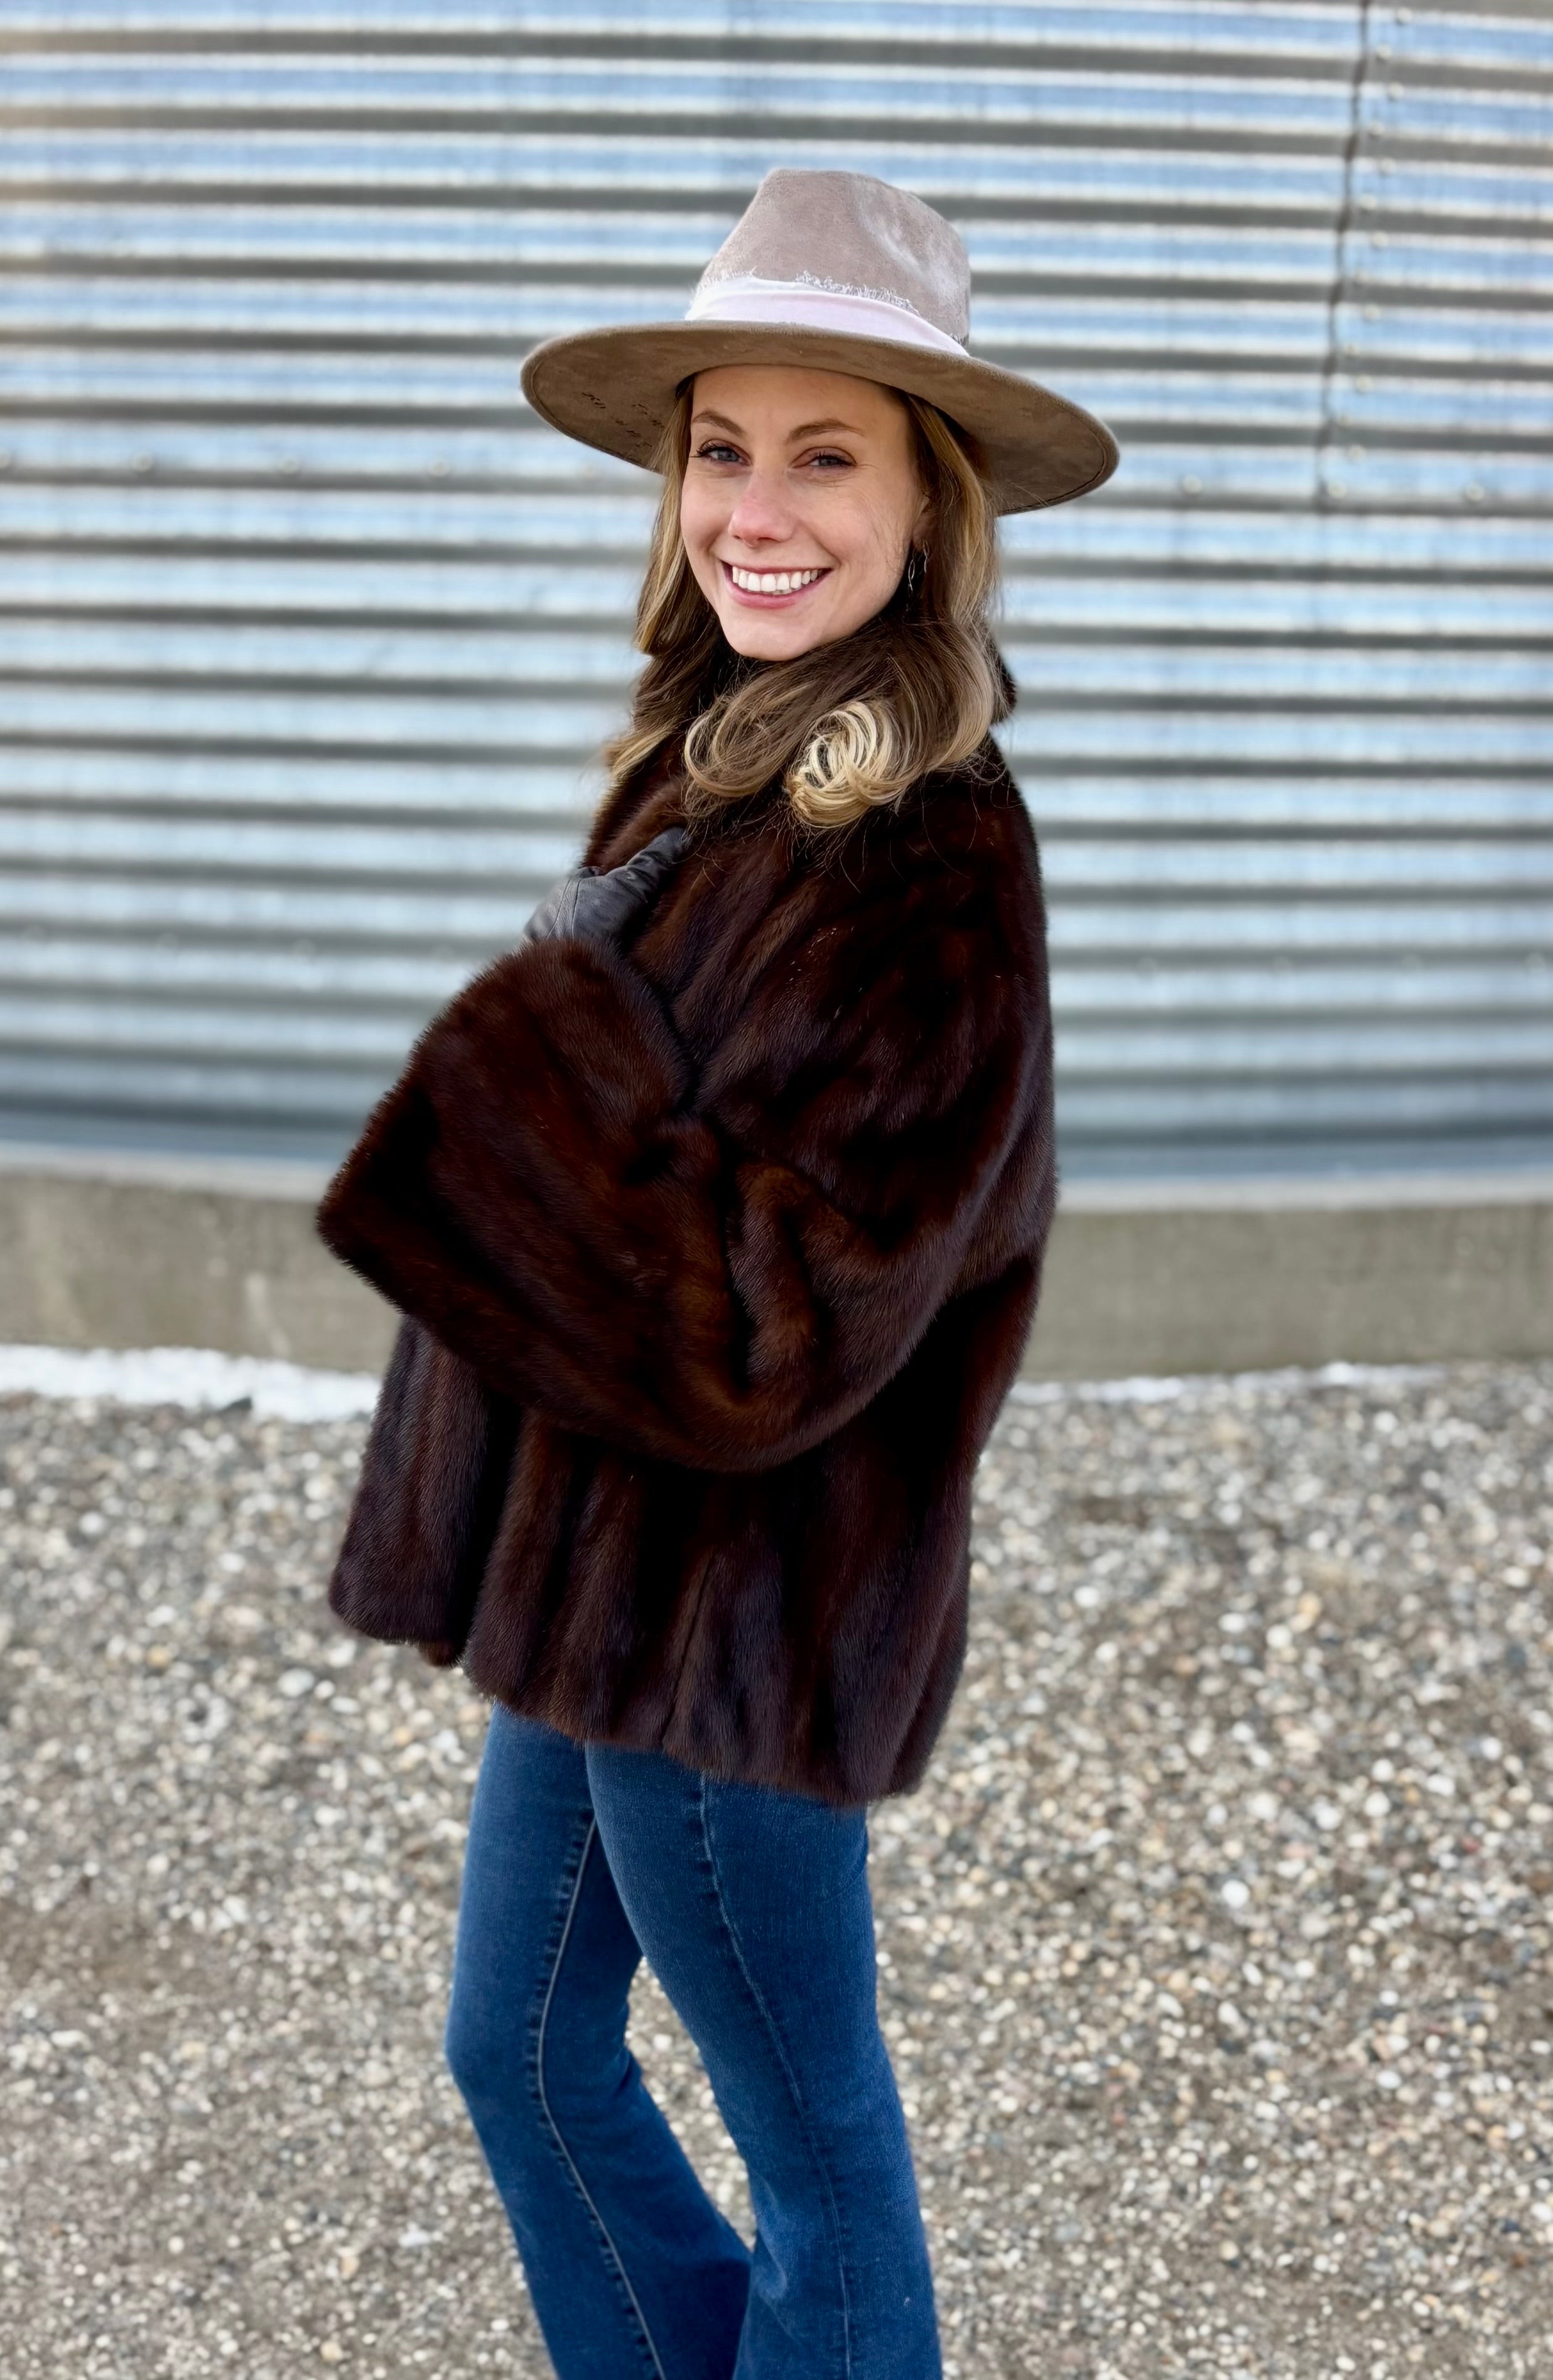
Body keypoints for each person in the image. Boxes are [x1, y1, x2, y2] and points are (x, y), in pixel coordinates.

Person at [315, 167, 1118, 2380]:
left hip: (736, 1607)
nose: (755, 512)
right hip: (599, 1576)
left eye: (824, 455)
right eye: (719, 449)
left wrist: (523, 1071)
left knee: (814, 2146)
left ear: (928, 510)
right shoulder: (726, 768)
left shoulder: (921, 851)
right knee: (518, 2055)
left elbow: (780, 1326)